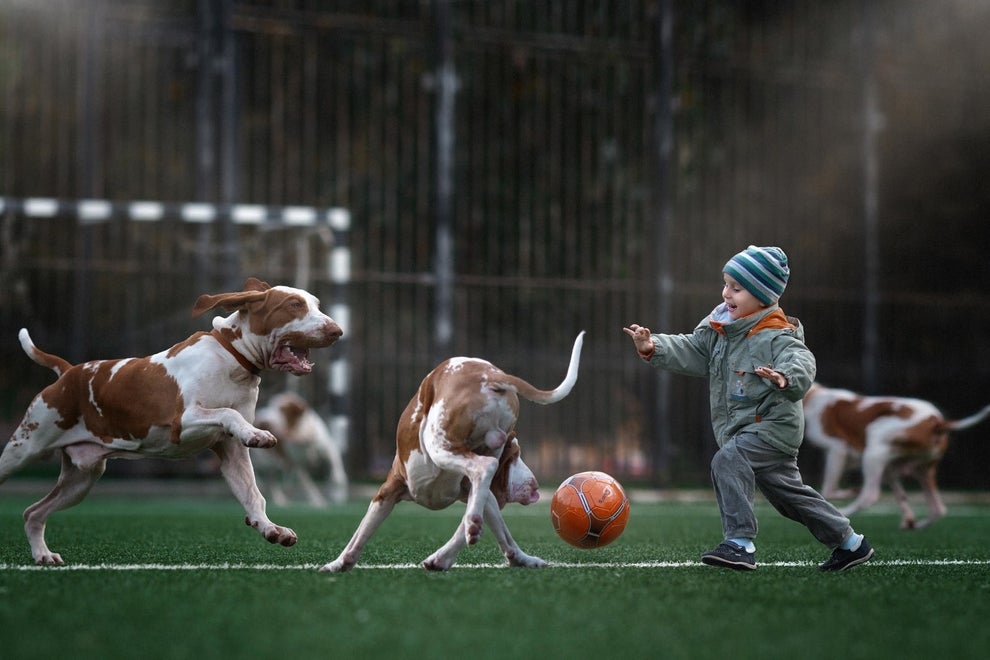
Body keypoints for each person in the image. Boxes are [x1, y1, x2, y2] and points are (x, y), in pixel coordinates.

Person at [623, 245, 873, 572]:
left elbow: (802, 361)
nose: (727, 293)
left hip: (772, 427)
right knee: (789, 499)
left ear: (762, 296)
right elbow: (694, 350)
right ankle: (850, 543)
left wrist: (785, 377)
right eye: (726, 284)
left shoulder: (776, 334)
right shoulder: (721, 328)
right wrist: (653, 345)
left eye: (737, 288)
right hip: (745, 430)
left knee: (729, 459)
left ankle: (740, 544)